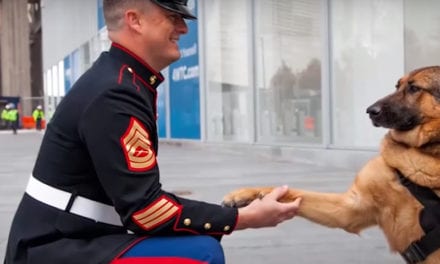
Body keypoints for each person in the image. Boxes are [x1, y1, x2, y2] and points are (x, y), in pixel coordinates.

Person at [4, 1, 301, 263]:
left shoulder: (120, 81)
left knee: (198, 242)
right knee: (202, 254)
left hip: (74, 236)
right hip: (55, 248)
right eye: (173, 16)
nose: (183, 28)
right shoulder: (115, 93)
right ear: (135, 20)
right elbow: (147, 211)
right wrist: (244, 218)